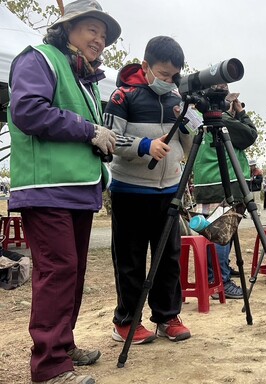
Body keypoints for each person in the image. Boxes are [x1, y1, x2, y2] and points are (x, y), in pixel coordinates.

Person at [7, 1, 120, 383]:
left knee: (72, 271)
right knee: (58, 272)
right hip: (47, 187)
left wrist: (103, 138)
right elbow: (28, 111)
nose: (99, 40)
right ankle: (50, 367)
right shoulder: (39, 58)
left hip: (77, 189)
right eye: (92, 29)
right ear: (67, 29)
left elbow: (82, 128)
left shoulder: (84, 79)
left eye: (103, 36)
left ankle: (63, 343)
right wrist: (88, 130)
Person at [103, 36, 192, 345]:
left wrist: (191, 123)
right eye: (163, 74)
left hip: (168, 191)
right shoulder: (122, 96)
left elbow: (190, 145)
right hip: (130, 191)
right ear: (145, 66)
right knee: (130, 259)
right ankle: (126, 321)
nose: (168, 81)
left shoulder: (178, 99)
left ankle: (167, 316)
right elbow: (110, 139)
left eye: (173, 76)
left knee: (169, 258)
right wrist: (144, 146)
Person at [192, 84, 257, 298]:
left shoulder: (208, 120)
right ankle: (219, 279)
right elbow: (250, 135)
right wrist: (241, 112)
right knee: (221, 233)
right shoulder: (223, 122)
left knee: (222, 232)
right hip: (221, 183)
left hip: (213, 182)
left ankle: (221, 273)